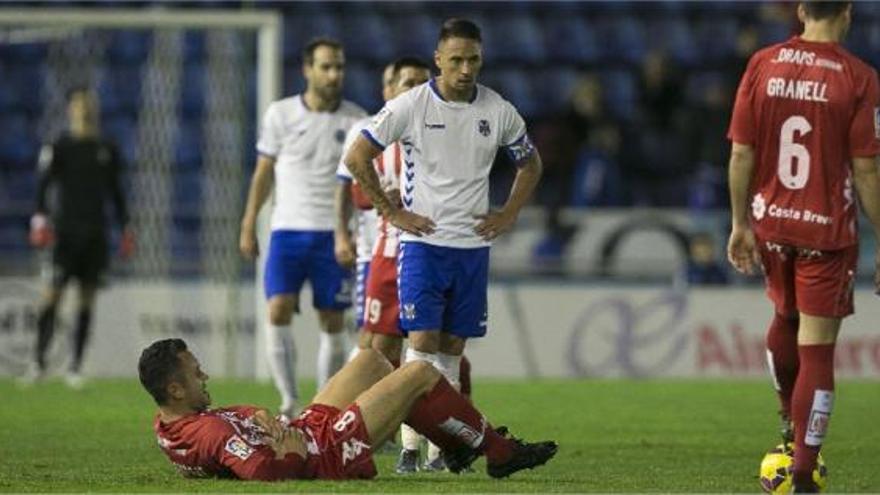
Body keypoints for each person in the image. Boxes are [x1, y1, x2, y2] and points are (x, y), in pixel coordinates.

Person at [343, 18, 542, 443]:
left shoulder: (497, 109)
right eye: (456, 60)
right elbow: (357, 156)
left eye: (473, 59)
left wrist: (508, 214)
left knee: (453, 348)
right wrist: (391, 212)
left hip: (472, 246)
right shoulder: (411, 105)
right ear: (439, 60)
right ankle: (409, 449)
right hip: (423, 244)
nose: (466, 69)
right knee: (422, 345)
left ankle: (441, 449)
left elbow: (531, 163)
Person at [726, 2, 880, 491]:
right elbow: (867, 169)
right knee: (817, 353)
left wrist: (739, 222)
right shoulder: (857, 77)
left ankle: (789, 433)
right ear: (848, 12)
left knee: (783, 317)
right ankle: (804, 470)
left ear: (800, 10)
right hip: (825, 232)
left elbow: (741, 152)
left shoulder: (763, 63)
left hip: (772, 224)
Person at [138, 338, 557, 481]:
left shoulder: (170, 421)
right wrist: (290, 454)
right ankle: (500, 454)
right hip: (326, 452)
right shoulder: (207, 434)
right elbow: (265, 473)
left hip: (306, 429)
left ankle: (455, 446)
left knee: (374, 360)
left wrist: (258, 417)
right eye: (196, 374)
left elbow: (236, 422)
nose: (205, 375)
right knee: (419, 373)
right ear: (175, 389)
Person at [239, 38, 367, 418]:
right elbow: (263, 173)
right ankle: (288, 401)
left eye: (339, 67)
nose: (334, 74)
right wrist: (248, 224)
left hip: (334, 234)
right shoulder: (280, 114)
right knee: (277, 309)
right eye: (326, 66)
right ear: (307, 69)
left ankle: (321, 406)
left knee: (332, 319)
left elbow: (363, 182)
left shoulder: (357, 119)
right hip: (287, 231)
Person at [24, 87, 134, 388]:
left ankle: (75, 366)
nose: (84, 109)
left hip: (96, 234)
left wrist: (125, 226)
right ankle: (38, 361)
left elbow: (116, 192)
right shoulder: (59, 146)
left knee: (86, 300)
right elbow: (44, 187)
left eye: (89, 104)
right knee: (53, 295)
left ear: (95, 109)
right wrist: (39, 219)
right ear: (70, 109)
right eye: (79, 104)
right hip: (64, 234)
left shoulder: (106, 148)